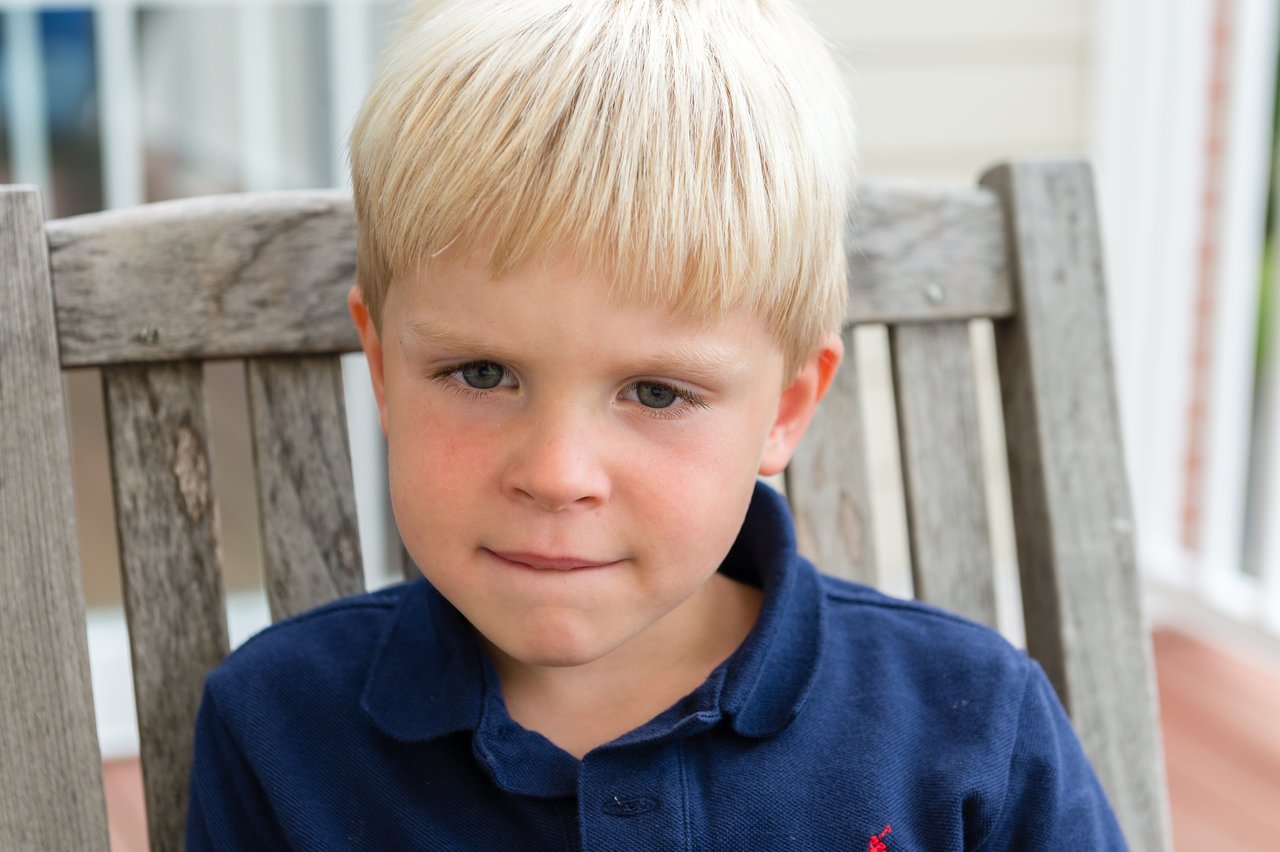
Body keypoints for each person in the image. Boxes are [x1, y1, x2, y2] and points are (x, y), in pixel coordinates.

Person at [185, 0, 1127, 849]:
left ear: (785, 409)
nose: (557, 474)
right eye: (481, 373)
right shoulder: (279, 727)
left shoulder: (969, 727)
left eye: (657, 393)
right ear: (385, 370)